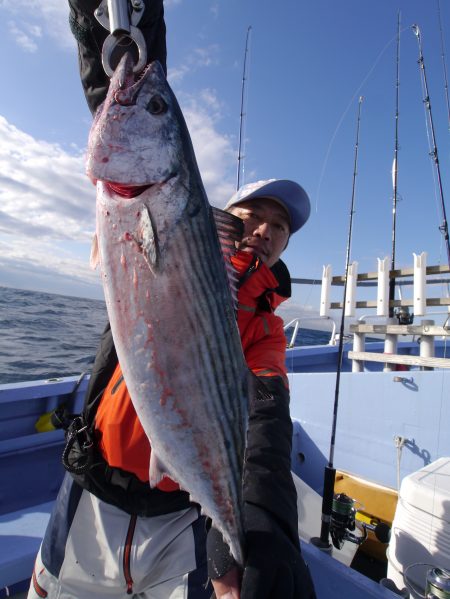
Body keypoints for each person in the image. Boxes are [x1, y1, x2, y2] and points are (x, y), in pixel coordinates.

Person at [27, 3, 317, 598]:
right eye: (254, 214)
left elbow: (265, 422)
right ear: (224, 216)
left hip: (182, 518)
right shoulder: (160, 217)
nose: (264, 229)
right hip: (92, 497)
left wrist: (259, 529)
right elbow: (120, 81)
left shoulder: (265, 332)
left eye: (279, 228)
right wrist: (111, 21)